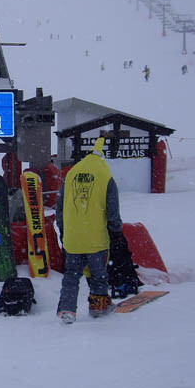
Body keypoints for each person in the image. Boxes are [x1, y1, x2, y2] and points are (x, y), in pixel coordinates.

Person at [56, 137, 122, 323]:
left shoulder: (71, 174)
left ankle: (67, 310)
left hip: (73, 237)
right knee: (99, 275)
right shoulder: (105, 175)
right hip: (96, 238)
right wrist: (116, 231)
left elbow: (60, 208)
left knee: (71, 276)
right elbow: (112, 209)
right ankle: (98, 307)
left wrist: (64, 231)